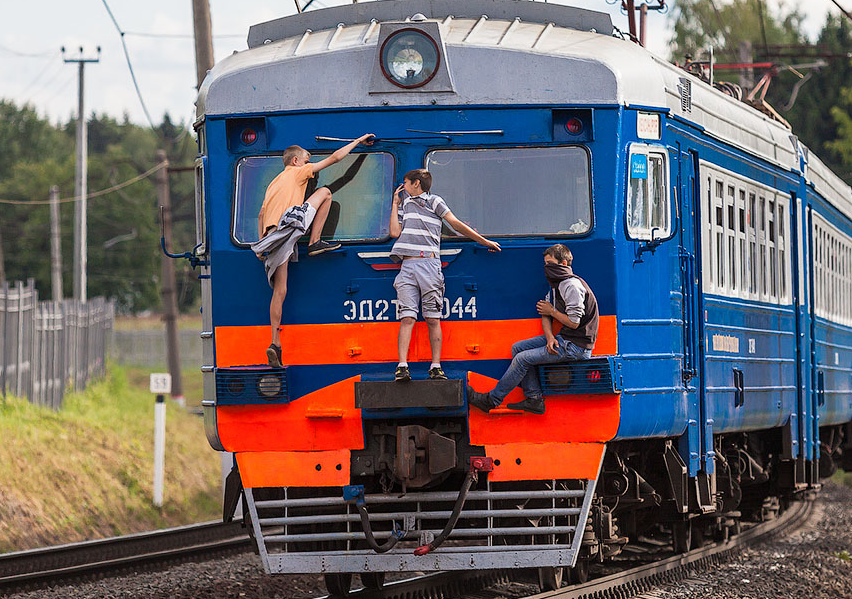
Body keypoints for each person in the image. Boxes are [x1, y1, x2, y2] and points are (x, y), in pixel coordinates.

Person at [252, 134, 375, 367]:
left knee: (280, 289)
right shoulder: (298, 171)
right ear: (296, 161)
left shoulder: (273, 183)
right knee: (327, 192)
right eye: (308, 160)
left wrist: (261, 245)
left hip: (271, 237)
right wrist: (357, 142)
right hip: (288, 226)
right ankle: (315, 242)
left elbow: (261, 214)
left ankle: (274, 343)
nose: (311, 166)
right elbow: (337, 159)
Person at [390, 168, 501, 381]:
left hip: (429, 263)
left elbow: (456, 224)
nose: (402, 188)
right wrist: (395, 204)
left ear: (415, 184)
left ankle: (436, 366)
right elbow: (395, 232)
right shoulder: (405, 204)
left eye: (405, 183)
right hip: (407, 265)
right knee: (407, 317)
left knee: (432, 317)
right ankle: (402, 365)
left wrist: (484, 241)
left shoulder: (435, 201)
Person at [467, 244, 598, 414]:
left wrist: (552, 311)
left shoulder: (571, 286)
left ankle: (491, 400)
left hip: (576, 347)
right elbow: (544, 312)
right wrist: (550, 337)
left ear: (564, 263)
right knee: (518, 348)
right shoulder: (556, 285)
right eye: (545, 264)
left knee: (522, 359)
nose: (546, 268)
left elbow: (573, 322)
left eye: (550, 263)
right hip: (563, 340)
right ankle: (534, 399)